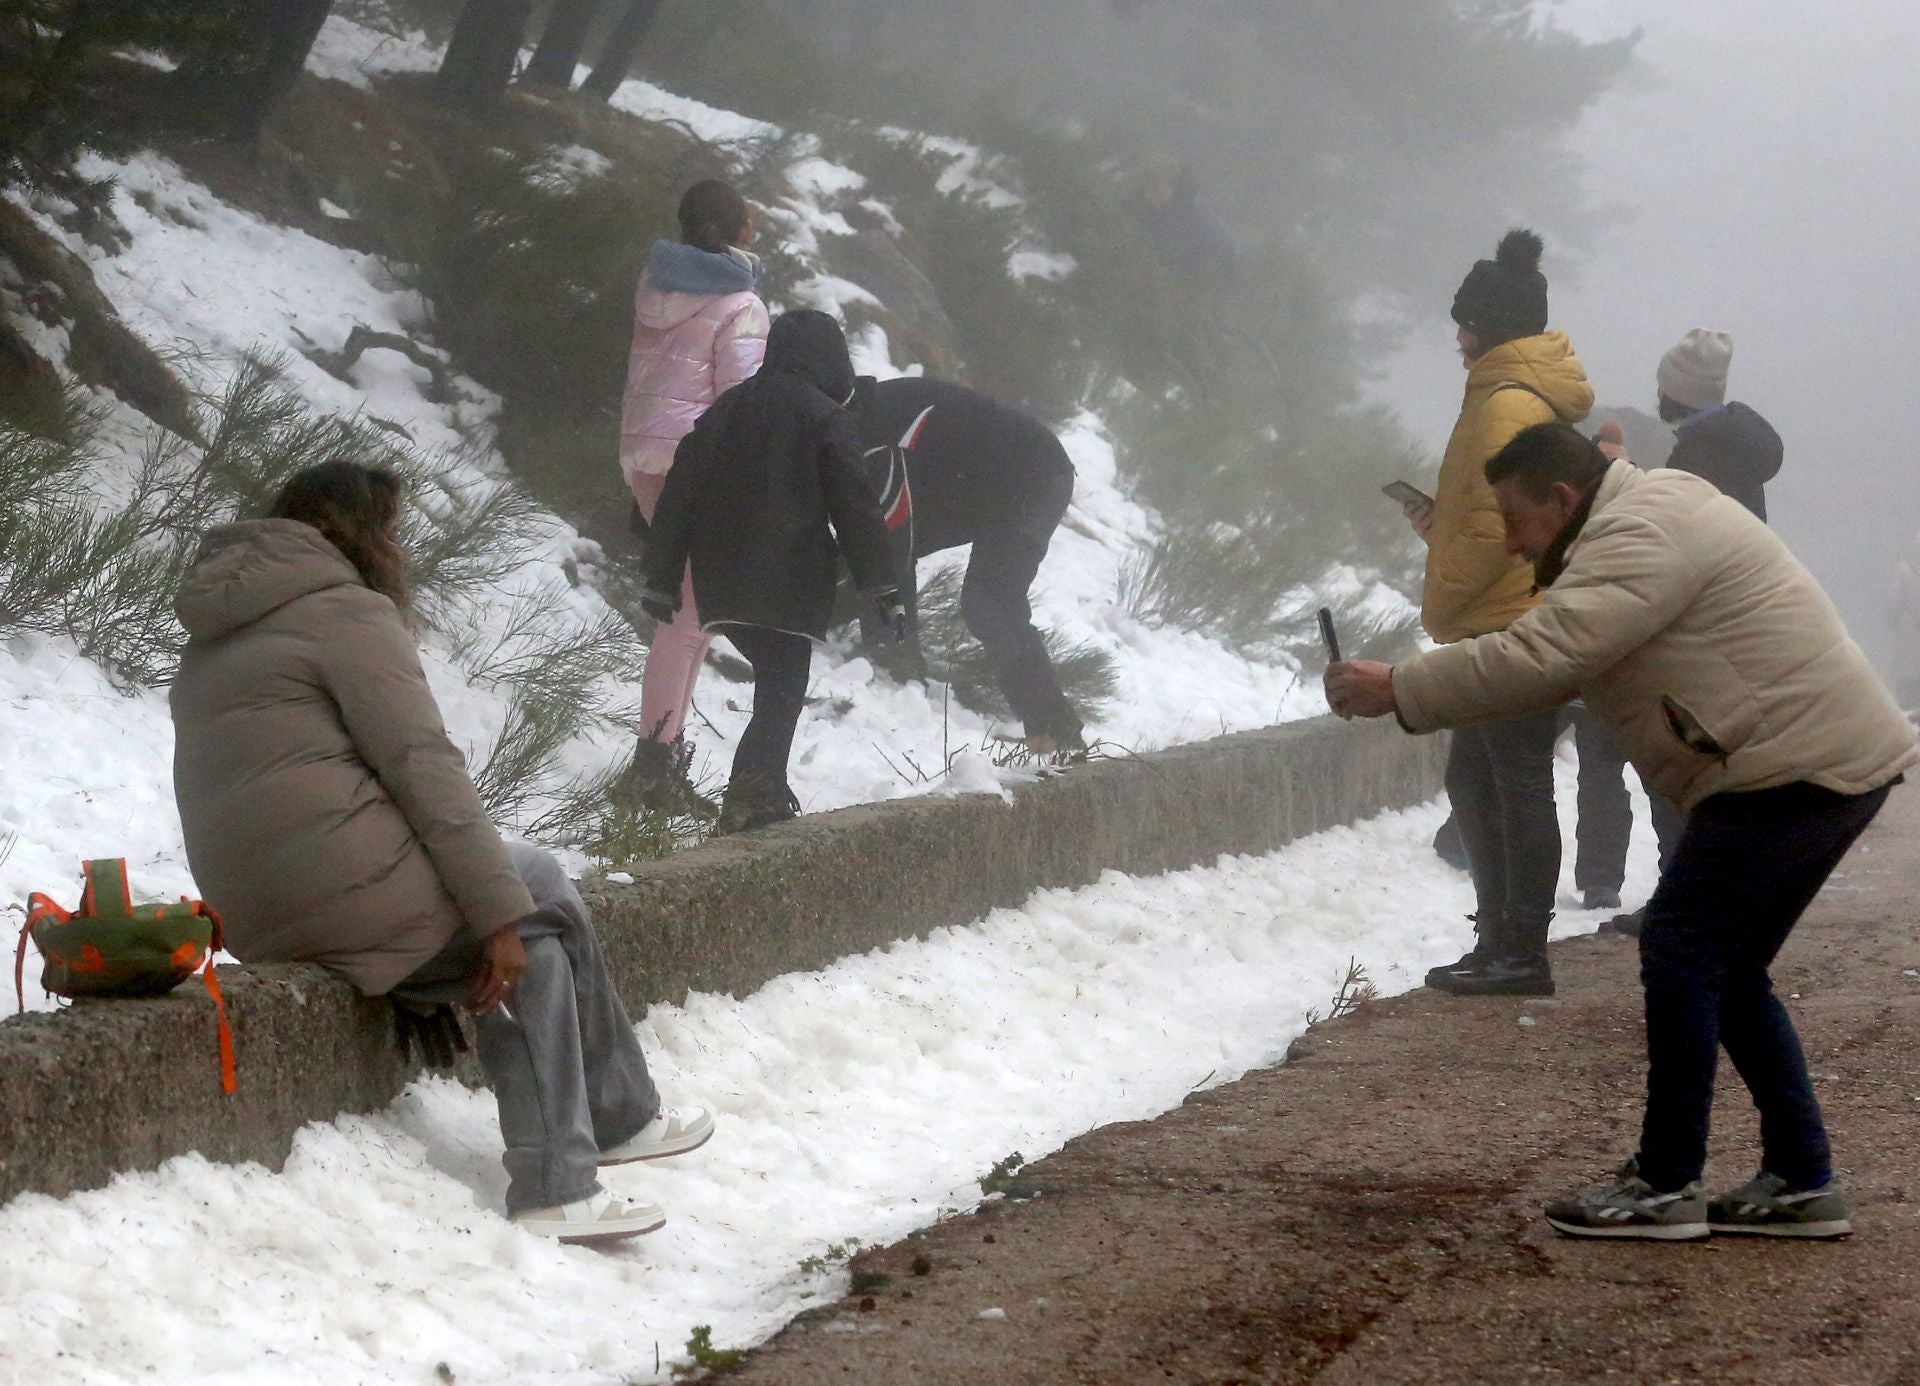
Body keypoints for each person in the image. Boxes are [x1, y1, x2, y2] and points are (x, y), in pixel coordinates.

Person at [1327, 421, 1915, 1241]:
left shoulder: (1638, 533)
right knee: (1729, 968)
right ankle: (1800, 1179)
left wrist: (1401, 686)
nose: (1512, 540)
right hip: (1815, 758)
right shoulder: (1640, 512)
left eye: (1516, 516)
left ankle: (1667, 1183)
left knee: (1681, 950)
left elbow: (1549, 654)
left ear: (1563, 499)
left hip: (1786, 764)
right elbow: (1557, 656)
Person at [170, 461, 713, 1245]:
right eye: (389, 531)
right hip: (340, 892)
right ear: (351, 533)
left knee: (531, 934)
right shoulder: (342, 613)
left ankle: (589, 1148)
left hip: (259, 911)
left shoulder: (219, 629)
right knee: (532, 893)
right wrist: (492, 913)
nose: (397, 548)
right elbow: (424, 768)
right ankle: (595, 1140)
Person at [1405, 228, 1593, 997]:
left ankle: (1518, 946)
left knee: (1508, 780)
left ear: (1486, 327)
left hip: (1504, 617)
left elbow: (1494, 526)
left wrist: (1444, 595)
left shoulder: (1502, 403)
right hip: (1516, 611)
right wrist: (1438, 524)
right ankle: (1503, 939)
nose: (1456, 337)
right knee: (1482, 778)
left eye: (1463, 323)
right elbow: (1486, 511)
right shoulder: (1516, 396)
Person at [641, 309, 900, 834]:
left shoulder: (726, 409)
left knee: (775, 681)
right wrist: (882, 585)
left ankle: (763, 793)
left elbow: (679, 495)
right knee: (782, 687)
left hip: (721, 579)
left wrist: (661, 574)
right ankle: (751, 800)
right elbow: (856, 505)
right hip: (786, 577)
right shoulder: (826, 417)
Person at [1585, 332, 1785, 935]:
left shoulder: (1703, 459)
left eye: (1663, 384)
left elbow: (1679, 550)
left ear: (1678, 391)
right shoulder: (1737, 451)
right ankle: (1698, 898)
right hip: (1731, 632)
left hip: (1699, 636)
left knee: (1680, 773)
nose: (1658, 395)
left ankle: (1686, 903)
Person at [614, 178, 772, 819]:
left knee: (692, 615)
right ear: (741, 232)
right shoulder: (741, 304)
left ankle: (662, 758)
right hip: (698, 465)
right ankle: (654, 767)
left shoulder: (656, 286)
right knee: (686, 621)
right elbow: (742, 404)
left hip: (644, 453)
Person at [848, 374, 1085, 753]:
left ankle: (1056, 731)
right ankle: (889, 652)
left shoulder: (881, 430)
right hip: (976, 484)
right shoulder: (863, 415)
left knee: (990, 601)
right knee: (882, 548)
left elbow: (891, 539)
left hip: (1034, 479)